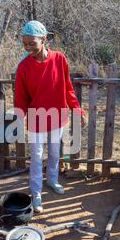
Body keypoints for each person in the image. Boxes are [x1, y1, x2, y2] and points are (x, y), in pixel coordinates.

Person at [14, 21, 86, 213]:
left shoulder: (60, 59)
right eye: (25, 44)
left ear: (44, 40)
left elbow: (68, 87)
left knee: (55, 153)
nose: (28, 48)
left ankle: (52, 181)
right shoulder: (24, 68)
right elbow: (20, 98)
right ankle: (36, 192)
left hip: (57, 117)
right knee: (37, 157)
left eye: (32, 43)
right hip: (36, 119)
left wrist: (77, 109)